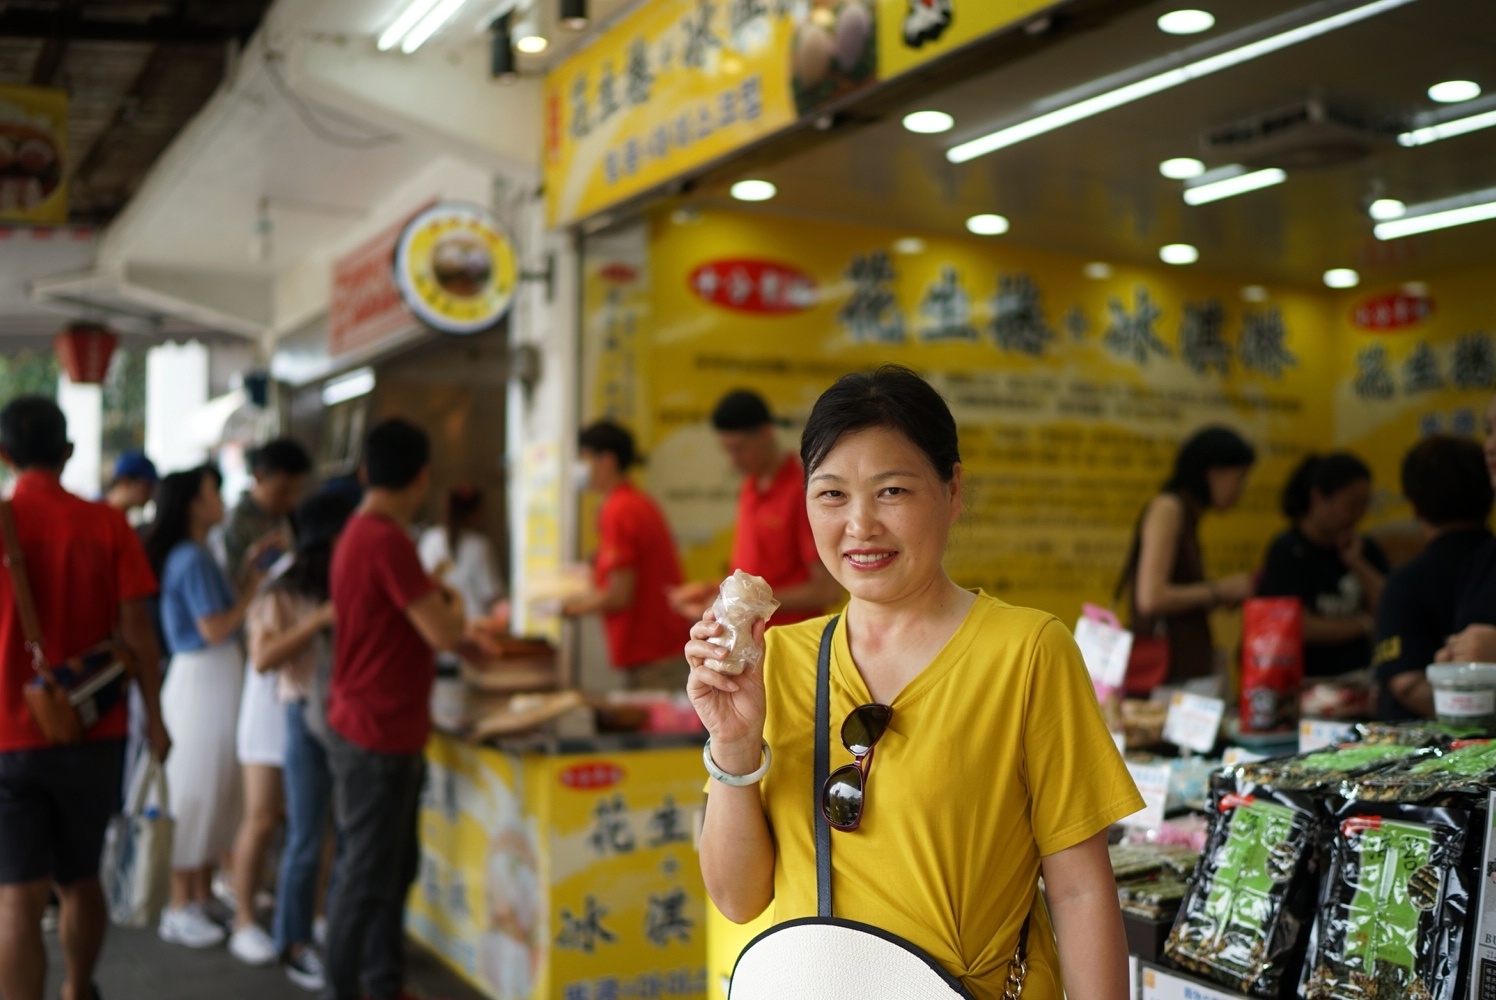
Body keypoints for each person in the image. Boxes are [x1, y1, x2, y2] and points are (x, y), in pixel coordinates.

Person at [687, 365, 1141, 1000]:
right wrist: (733, 745)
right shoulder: (776, 660)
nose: (861, 525)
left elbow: (1082, 888)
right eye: (831, 494)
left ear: (952, 491)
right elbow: (738, 899)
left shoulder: (1028, 651)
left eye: (893, 491)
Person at [0, 397, 169, 1000]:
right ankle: (77, 989)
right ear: (67, 451)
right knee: (80, 877)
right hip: (95, 731)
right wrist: (157, 717)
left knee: (16, 894)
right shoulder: (107, 525)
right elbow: (138, 631)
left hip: (7, 737)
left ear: (4, 455)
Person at [324, 418, 466, 1000]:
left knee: (389, 867)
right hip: (376, 732)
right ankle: (343, 989)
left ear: (365, 473)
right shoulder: (387, 540)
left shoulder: (358, 534)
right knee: (365, 877)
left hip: (373, 724)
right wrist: (452, 605)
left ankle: (383, 983)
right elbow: (444, 635)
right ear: (422, 477)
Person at [146, 466, 265, 950]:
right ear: (194, 504)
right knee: (197, 789)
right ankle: (178, 903)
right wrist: (252, 591)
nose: (221, 500)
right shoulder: (191, 558)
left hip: (207, 679)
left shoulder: (196, 555)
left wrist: (246, 575)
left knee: (211, 786)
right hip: (202, 680)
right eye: (213, 492)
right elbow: (215, 628)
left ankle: (195, 894)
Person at [251, 491, 356, 992]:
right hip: (302, 715)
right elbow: (263, 658)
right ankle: (291, 942)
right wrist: (315, 622)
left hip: (345, 714)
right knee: (308, 836)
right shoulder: (285, 588)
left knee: (339, 836)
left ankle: (326, 929)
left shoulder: (346, 576)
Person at [223, 438, 311, 967]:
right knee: (259, 813)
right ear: (260, 476)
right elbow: (234, 603)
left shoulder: (290, 521)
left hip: (287, 678)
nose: (286, 498)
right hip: (257, 675)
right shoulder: (235, 530)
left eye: (293, 491)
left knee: (286, 814)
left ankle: (264, 905)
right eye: (281, 488)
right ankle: (243, 917)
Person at [670, 390, 842, 624]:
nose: (734, 460)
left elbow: (827, 590)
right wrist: (712, 590)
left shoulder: (802, 492)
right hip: (749, 641)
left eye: (739, 448)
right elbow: (754, 575)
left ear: (766, 433)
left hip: (790, 642)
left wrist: (747, 603)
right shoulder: (750, 487)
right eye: (727, 450)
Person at [1117, 427, 1257, 690]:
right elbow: (1151, 598)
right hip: (1164, 674)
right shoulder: (1169, 509)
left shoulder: (1187, 514)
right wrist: (1218, 591)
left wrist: (1214, 598)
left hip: (1178, 669)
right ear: (1214, 473)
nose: (1240, 490)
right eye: (1239, 478)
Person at [1374, 435, 1496, 720]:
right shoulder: (1485, 559)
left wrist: (1466, 712)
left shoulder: (1408, 581)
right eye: (1488, 431)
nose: (1490, 444)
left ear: (1414, 504)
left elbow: (1406, 683)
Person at [562, 421, 690, 690]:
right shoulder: (635, 501)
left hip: (652, 654)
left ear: (606, 461)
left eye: (583, 459)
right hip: (662, 646)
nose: (579, 470)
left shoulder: (618, 510)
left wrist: (567, 608)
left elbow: (619, 595)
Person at [1257, 453, 1389, 678]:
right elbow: (1295, 625)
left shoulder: (1363, 548)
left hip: (1359, 677)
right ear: (1318, 498)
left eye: (1364, 505)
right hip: (1306, 679)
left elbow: (1391, 605)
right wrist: (1364, 624)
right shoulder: (1288, 550)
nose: (1358, 515)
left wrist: (1357, 563)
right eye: (1351, 505)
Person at [419, 484, 503, 622]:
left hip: (438, 625)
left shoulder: (430, 539)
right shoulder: (480, 545)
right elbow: (491, 594)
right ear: (475, 513)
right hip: (475, 625)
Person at [103, 450, 159, 519]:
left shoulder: (120, 520)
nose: (151, 492)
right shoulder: (97, 517)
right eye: (148, 486)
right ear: (125, 482)